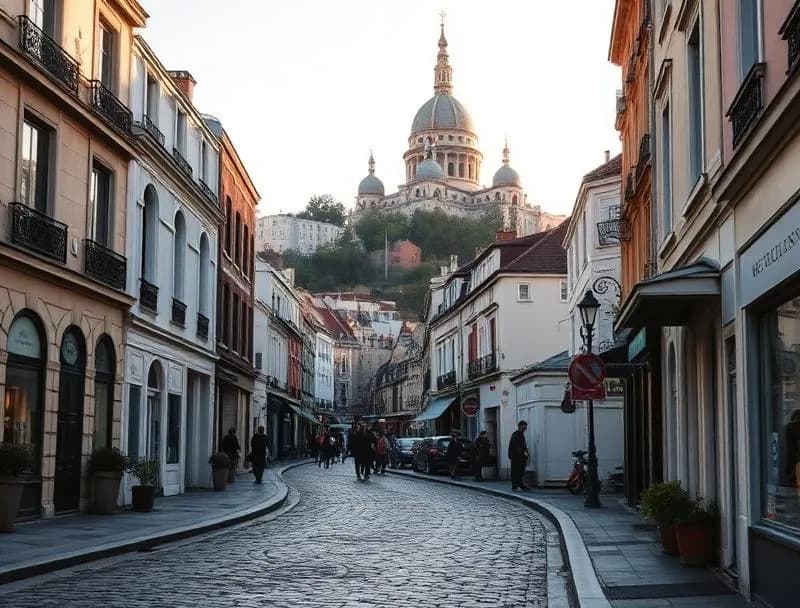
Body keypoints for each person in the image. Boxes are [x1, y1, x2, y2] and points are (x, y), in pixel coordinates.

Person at [508, 420, 530, 491]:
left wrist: (526, 451)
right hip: (517, 456)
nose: (526, 428)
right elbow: (516, 446)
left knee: (520, 471)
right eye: (525, 426)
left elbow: (522, 445)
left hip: (518, 456)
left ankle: (520, 485)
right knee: (517, 471)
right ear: (521, 426)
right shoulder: (517, 434)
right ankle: (515, 486)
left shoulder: (519, 434)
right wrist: (523, 454)